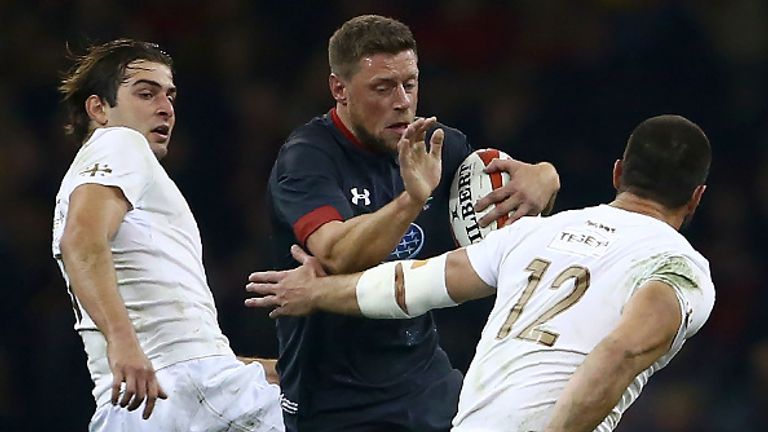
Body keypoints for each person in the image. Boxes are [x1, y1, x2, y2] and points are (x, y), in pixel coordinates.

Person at [248, 114, 715, 432]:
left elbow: (408, 285)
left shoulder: (535, 233)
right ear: (696, 197)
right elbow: (620, 352)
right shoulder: (678, 267)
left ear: (617, 174)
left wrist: (316, 292)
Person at [264, 14, 560, 432]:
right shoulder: (306, 158)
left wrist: (545, 175)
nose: (402, 100)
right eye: (382, 88)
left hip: (424, 381)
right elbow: (337, 255)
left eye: (410, 83)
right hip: (336, 397)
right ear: (339, 90)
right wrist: (412, 200)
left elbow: (506, 182)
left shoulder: (435, 144)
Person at [53, 39, 283, 432]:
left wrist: (274, 370)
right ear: (99, 109)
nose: (166, 108)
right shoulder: (120, 142)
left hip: (147, 402)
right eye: (145, 93)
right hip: (173, 393)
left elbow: (185, 352)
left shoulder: (109, 178)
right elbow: (80, 240)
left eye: (170, 96)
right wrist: (122, 342)